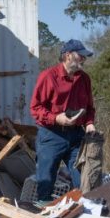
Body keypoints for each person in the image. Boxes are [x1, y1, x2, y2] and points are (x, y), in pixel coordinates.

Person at [30, 39, 96, 206]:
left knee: (84, 179)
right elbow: (35, 108)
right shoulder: (48, 77)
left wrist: (89, 123)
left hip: (76, 136)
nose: (84, 59)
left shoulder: (84, 79)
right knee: (45, 182)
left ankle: (84, 213)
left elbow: (89, 108)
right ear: (68, 56)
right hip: (51, 134)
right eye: (80, 56)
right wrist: (56, 118)